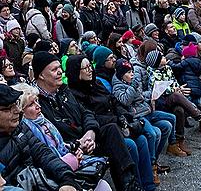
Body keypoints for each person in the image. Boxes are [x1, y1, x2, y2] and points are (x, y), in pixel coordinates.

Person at [32, 51, 140, 191]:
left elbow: (86, 112)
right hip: (69, 149)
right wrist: (78, 144)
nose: (60, 72)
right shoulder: (36, 102)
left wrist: (90, 133)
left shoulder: (63, 90)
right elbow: (52, 134)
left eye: (60, 68)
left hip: (86, 137)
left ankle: (129, 185)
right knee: (128, 143)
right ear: (41, 75)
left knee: (113, 130)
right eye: (54, 70)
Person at [65, 54, 156, 191]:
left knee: (142, 139)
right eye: (85, 68)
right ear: (76, 71)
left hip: (116, 124)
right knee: (130, 145)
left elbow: (113, 101)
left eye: (90, 66)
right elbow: (91, 117)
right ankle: (131, 185)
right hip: (101, 133)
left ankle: (148, 186)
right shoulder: (74, 93)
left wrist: (123, 117)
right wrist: (118, 121)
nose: (90, 70)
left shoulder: (97, 84)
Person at [14, 83, 111, 191]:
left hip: (66, 166)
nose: (38, 106)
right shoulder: (26, 130)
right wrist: (71, 159)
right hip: (53, 177)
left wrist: (76, 149)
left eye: (37, 100)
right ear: (20, 110)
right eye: (31, 104)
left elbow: (60, 146)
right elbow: (42, 162)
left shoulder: (43, 121)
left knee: (103, 184)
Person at [0, 84, 80, 191]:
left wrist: (67, 180)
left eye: (16, 104)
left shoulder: (20, 128)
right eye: (7, 109)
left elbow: (44, 154)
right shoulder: (26, 124)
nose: (17, 110)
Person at [112, 59, 175, 177]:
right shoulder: (118, 86)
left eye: (132, 71)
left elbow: (140, 96)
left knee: (169, 122)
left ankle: (158, 156)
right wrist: (133, 86)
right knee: (153, 133)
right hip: (137, 115)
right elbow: (125, 100)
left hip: (146, 109)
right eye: (128, 72)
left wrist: (152, 94)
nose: (132, 74)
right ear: (121, 74)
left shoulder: (130, 81)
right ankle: (151, 166)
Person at [145, 49, 201, 135]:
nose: (165, 57)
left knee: (179, 109)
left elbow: (173, 81)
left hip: (174, 95)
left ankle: (178, 140)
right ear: (158, 62)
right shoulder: (153, 72)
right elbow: (158, 89)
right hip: (161, 99)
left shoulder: (167, 68)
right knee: (177, 95)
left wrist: (179, 88)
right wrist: (174, 89)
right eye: (162, 57)